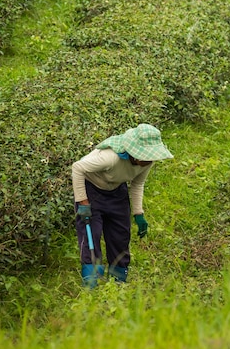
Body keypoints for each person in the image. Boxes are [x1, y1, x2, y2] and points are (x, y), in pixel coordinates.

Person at [72, 123, 173, 287]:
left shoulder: (147, 161)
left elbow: (137, 184)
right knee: (92, 234)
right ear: (135, 153)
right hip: (91, 190)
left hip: (117, 190)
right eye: (146, 157)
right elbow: (77, 168)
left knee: (120, 236)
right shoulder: (110, 157)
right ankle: (91, 283)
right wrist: (83, 202)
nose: (149, 160)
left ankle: (118, 281)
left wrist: (139, 214)